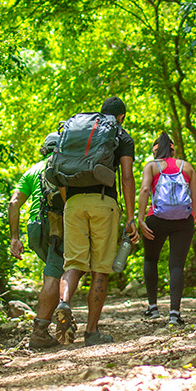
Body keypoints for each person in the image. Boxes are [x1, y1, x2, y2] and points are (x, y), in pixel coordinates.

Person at [58, 97, 138, 346]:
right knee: (100, 268)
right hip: (104, 202)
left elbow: (60, 174)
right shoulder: (121, 136)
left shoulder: (78, 133)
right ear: (121, 116)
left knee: (73, 263)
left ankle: (64, 303)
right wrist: (131, 215)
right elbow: (126, 177)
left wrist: (69, 203)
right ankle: (91, 332)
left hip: (73, 203)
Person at [8, 133, 74, 348]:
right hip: (56, 226)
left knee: (55, 270)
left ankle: (55, 322)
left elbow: (14, 203)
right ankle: (41, 330)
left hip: (34, 228)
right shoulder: (65, 167)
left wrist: (14, 238)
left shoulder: (31, 171)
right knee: (55, 275)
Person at [136, 132, 196, 326]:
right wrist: (191, 219)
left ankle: (153, 308)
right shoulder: (186, 167)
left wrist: (139, 219)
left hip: (156, 219)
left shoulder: (152, 166)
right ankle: (174, 313)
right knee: (177, 265)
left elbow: (146, 190)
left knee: (151, 259)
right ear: (173, 148)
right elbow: (195, 198)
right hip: (183, 220)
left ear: (155, 150)